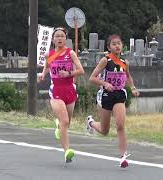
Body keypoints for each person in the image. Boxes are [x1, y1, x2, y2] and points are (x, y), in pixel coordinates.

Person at [86, 34, 140, 168]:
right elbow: (92, 78)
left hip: (119, 95)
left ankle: (123, 156)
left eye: (119, 43)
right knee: (104, 131)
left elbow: (128, 76)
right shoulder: (105, 60)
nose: (117, 46)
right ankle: (91, 123)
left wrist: (132, 88)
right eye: (114, 44)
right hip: (106, 95)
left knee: (120, 125)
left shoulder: (124, 62)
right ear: (109, 47)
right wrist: (105, 84)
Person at [38, 27, 84, 163]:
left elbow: (81, 70)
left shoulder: (71, 53)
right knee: (64, 121)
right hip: (56, 89)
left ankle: (59, 127)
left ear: (66, 39)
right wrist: (43, 74)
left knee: (67, 122)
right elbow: (47, 66)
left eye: (62, 36)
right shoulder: (50, 54)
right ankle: (67, 151)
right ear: (53, 40)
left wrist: (69, 73)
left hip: (70, 89)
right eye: (57, 36)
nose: (59, 38)